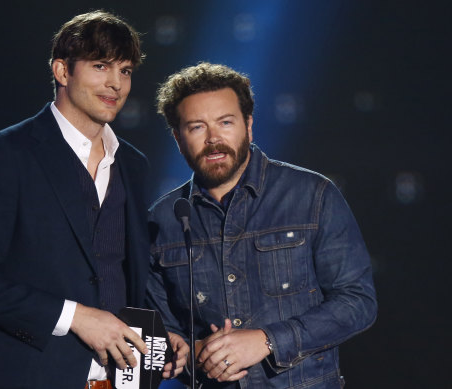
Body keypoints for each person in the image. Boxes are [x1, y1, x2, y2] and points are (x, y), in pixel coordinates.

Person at [0, 10, 187, 389]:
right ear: (62, 71)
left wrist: (162, 332)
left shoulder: (132, 164)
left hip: (119, 381)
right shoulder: (7, 153)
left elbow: (127, 273)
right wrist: (75, 317)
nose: (116, 84)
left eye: (124, 70)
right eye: (101, 66)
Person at [145, 62, 378, 389]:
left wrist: (267, 340)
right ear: (178, 138)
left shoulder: (313, 195)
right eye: (197, 127)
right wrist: (188, 353)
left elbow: (358, 302)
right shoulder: (162, 219)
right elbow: (163, 334)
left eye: (225, 123)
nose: (214, 139)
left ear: (248, 126)